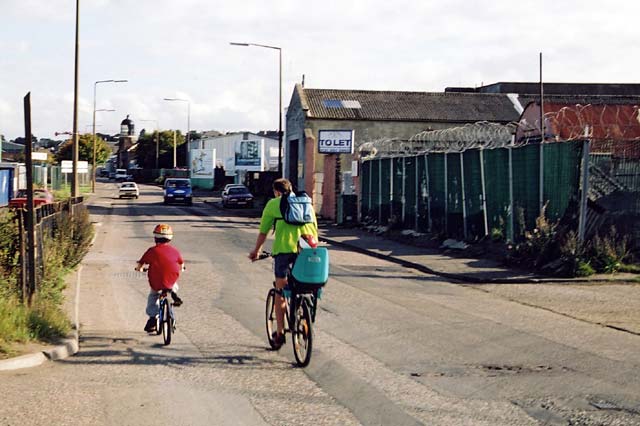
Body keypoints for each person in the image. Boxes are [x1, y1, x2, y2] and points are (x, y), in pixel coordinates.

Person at [248, 178, 318, 349]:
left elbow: (263, 232)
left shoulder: (274, 204)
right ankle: (305, 319)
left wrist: (256, 251)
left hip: (284, 251)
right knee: (305, 286)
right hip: (308, 250)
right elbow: (315, 228)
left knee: (280, 290)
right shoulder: (306, 202)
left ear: (276, 192)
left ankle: (280, 333)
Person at [135, 224, 185, 333]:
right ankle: (173, 294)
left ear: (155, 237)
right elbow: (181, 264)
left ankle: (153, 319)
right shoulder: (175, 251)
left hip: (157, 281)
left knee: (153, 295)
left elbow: (141, 263)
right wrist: (182, 268)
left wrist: (139, 269)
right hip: (171, 278)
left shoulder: (152, 251)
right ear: (170, 238)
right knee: (173, 285)